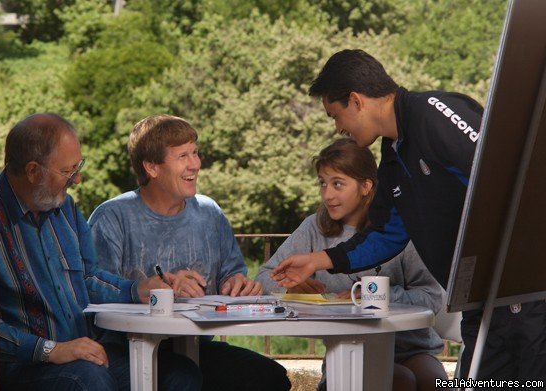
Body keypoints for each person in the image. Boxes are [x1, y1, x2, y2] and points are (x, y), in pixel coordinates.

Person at [271, 49, 546, 385]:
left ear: (356, 101)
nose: (338, 127)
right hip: (483, 306)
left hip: (527, 298)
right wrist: (319, 259)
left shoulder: (433, 112)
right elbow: (386, 234)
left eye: (335, 116)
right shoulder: (393, 156)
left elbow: (505, 175)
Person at [0, 113, 196, 391]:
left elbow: (87, 278)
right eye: (68, 170)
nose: (78, 179)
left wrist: (137, 290)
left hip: (85, 355)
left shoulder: (65, 208)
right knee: (89, 380)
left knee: (180, 374)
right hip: (24, 368)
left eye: (78, 166)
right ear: (34, 171)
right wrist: (51, 350)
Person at [88, 114, 291, 391]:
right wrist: (145, 289)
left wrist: (235, 284)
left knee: (270, 377)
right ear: (151, 167)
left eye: (195, 153)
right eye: (182, 155)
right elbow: (91, 287)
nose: (195, 164)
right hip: (127, 349)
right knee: (183, 377)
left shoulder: (210, 213)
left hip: (194, 347)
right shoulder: (112, 217)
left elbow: (232, 273)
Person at [256, 138, 446, 390]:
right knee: (400, 381)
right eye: (323, 184)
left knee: (434, 383)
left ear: (366, 186)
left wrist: (378, 296)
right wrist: (291, 288)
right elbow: (263, 278)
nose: (327, 195)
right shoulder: (314, 228)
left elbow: (431, 297)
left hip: (412, 348)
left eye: (337, 184)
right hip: (349, 350)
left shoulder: (396, 230)